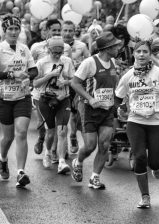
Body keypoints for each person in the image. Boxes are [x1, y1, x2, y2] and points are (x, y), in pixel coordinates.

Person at [115, 40, 159, 208]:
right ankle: (145, 196)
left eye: (145, 51)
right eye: (139, 52)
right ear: (134, 54)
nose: (142, 54)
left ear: (150, 54)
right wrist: (120, 108)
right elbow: (118, 97)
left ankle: (157, 167)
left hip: (157, 121)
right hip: (135, 121)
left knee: (154, 162)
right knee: (139, 157)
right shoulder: (128, 75)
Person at [70, 31, 122, 190]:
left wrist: (119, 102)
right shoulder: (90, 63)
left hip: (107, 110)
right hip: (89, 109)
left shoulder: (113, 62)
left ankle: (95, 177)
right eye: (115, 46)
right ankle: (77, 161)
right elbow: (75, 83)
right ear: (106, 48)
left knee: (105, 144)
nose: (118, 48)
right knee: (90, 145)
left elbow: (116, 83)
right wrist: (91, 99)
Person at [0, 16, 37, 187]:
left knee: (21, 132)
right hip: (4, 98)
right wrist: (11, 75)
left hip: (23, 96)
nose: (14, 32)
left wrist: (27, 76)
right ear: (4, 31)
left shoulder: (24, 48)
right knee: (8, 137)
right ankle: (3, 159)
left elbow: (34, 70)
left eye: (16, 29)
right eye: (10, 29)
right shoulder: (0, 49)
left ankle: (20, 172)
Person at [32, 36, 74, 174]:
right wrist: (50, 75)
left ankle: (61, 162)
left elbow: (74, 79)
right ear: (49, 50)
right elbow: (35, 83)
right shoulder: (42, 63)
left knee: (62, 131)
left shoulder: (67, 61)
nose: (57, 55)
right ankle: (48, 152)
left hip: (63, 99)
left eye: (60, 52)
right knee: (50, 132)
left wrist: (65, 82)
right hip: (46, 100)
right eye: (54, 52)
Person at [62, 20, 90, 155]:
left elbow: (90, 61)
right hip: (60, 85)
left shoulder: (82, 46)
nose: (67, 33)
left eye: (70, 30)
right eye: (65, 30)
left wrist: (80, 64)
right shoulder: (55, 45)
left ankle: (73, 136)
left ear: (75, 31)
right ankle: (59, 148)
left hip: (75, 84)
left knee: (74, 114)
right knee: (62, 117)